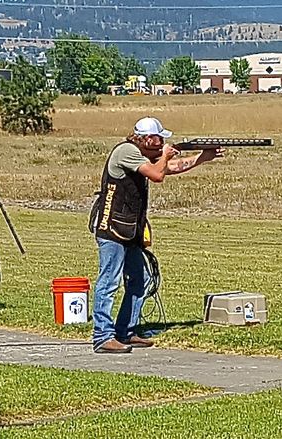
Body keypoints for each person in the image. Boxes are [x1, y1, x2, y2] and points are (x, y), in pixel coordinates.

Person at [88, 117, 223, 353]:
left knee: (141, 280)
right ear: (148, 138)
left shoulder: (141, 154)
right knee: (108, 283)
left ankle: (125, 332)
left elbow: (167, 168)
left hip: (128, 228)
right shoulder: (126, 151)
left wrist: (202, 157)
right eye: (160, 138)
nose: (162, 142)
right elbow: (157, 174)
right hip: (112, 228)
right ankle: (102, 336)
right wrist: (166, 155)